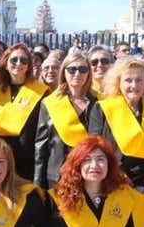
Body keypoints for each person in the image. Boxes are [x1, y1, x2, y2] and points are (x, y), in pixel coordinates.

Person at [33, 50, 109, 189]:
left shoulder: (101, 102)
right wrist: (38, 185)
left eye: (82, 69)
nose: (77, 74)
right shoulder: (49, 103)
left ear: (89, 73)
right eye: (72, 69)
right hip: (58, 176)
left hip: (92, 175)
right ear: (64, 72)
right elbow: (41, 149)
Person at [97, 58, 144, 189]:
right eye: (128, 80)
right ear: (118, 83)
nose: (134, 86)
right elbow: (95, 146)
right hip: (112, 179)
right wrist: (116, 173)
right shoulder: (103, 109)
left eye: (139, 80)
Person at [0, 43, 49, 181]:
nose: (19, 63)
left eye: (24, 61)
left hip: (29, 161)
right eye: (14, 60)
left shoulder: (42, 92)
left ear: (29, 66)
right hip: (0, 158)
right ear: (5, 63)